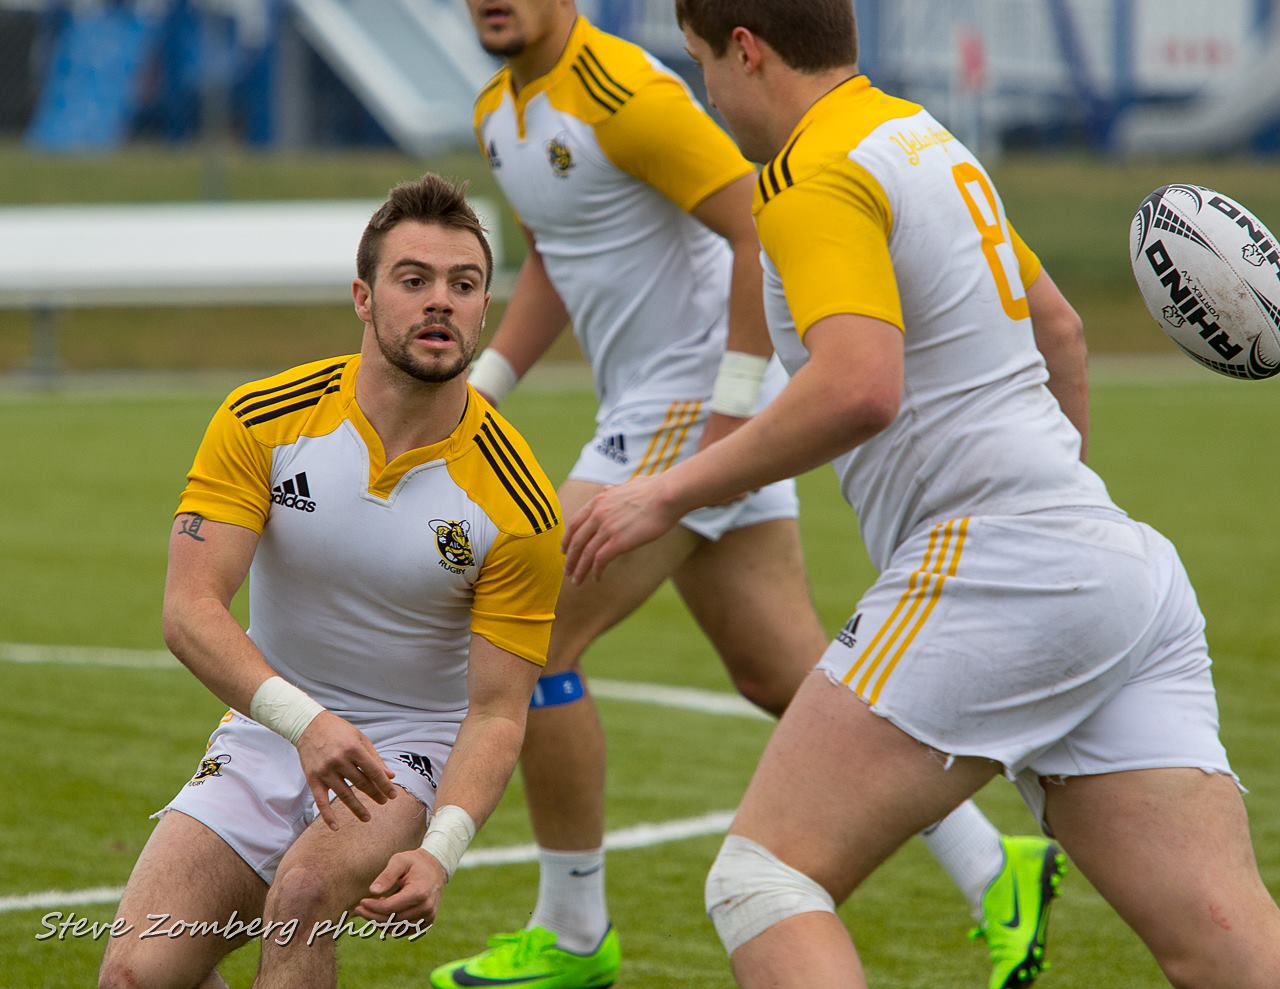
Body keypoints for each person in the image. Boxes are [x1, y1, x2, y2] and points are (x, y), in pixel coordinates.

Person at [563, 2, 1280, 987]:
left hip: (995, 562)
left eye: (700, 65)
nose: (707, 94)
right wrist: (1056, 529)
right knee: (1224, 942)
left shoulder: (810, 172)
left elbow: (858, 385)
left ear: (745, 48)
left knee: (762, 880)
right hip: (1114, 563)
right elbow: (1059, 333)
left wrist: (662, 493)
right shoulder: (922, 136)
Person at [432, 3, 1064, 988]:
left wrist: (727, 413)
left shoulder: (627, 93)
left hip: (702, 398)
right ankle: (994, 865)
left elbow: (750, 228)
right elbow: (555, 260)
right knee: (778, 674)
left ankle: (571, 929)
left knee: (529, 625)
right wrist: (473, 400)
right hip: (669, 406)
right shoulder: (497, 111)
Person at [97, 173, 565, 989]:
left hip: (406, 749)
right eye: (413, 280)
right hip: (273, 726)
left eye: (464, 284)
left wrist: (441, 849)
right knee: (135, 977)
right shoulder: (263, 418)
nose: (440, 303)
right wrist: (303, 722)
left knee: (304, 895)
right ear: (363, 295)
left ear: (486, 306)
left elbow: (495, 711)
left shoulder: (519, 500)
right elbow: (189, 610)